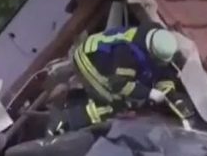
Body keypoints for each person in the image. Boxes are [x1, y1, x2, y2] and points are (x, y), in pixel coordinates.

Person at [50, 22, 183, 132]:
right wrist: (149, 93)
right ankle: (68, 121)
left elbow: (163, 70)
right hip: (90, 60)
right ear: (151, 52)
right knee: (117, 104)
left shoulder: (158, 37)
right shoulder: (126, 53)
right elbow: (119, 84)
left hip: (111, 63)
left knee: (132, 95)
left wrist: (171, 95)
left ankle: (77, 101)